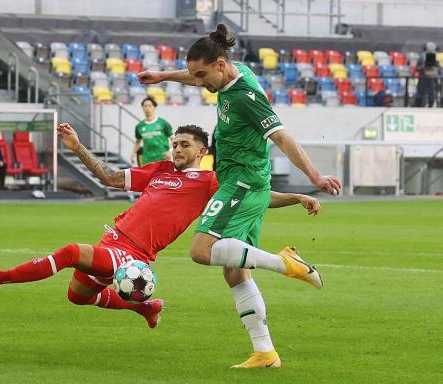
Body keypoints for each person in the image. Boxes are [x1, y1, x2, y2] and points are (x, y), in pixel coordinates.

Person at [0, 123, 322, 340]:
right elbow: (110, 178)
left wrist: (297, 196)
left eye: (185, 144)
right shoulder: (159, 169)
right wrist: (78, 148)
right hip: (112, 239)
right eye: (175, 144)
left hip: (133, 255)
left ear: (202, 151)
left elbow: (257, 196)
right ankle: (145, 308)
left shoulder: (210, 181)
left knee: (69, 252)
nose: (177, 149)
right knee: (77, 296)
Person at [138, 24, 342, 368]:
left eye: (202, 74)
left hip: (241, 182)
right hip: (244, 181)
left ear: (220, 64)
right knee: (234, 272)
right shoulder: (230, 73)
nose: (199, 82)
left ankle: (286, 263)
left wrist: (315, 177)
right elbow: (194, 75)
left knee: (201, 251)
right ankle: (265, 352)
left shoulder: (246, 95)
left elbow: (282, 137)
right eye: (194, 75)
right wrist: (162, 76)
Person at [129, 96, 173, 165]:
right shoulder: (139, 126)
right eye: (145, 106)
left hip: (163, 160)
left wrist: (170, 151)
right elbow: (138, 142)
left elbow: (174, 139)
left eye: (150, 106)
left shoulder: (163, 123)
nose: (147, 108)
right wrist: (132, 154)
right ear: (142, 108)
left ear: (154, 107)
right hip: (147, 161)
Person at [414, 42, 440, 108]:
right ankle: (416, 107)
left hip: (431, 78)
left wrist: (436, 65)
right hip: (423, 78)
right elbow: (417, 68)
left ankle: (430, 108)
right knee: (420, 95)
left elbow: (438, 68)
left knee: (431, 95)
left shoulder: (435, 56)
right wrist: (424, 66)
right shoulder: (421, 57)